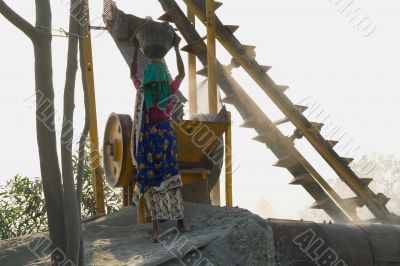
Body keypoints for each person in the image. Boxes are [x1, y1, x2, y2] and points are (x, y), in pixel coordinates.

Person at [130, 33, 186, 243]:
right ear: (163, 75)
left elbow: (132, 74)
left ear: (148, 76)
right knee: (171, 177)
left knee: (152, 180)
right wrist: (177, 48)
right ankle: (180, 222)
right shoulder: (169, 89)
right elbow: (180, 73)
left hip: (149, 139)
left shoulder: (143, 90)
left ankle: (156, 230)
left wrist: (135, 49)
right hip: (167, 136)